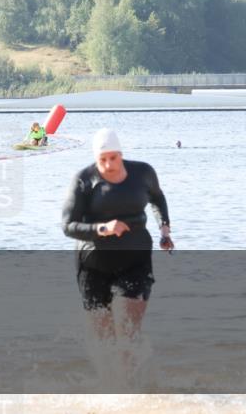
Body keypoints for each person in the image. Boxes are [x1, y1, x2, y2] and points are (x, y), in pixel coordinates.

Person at [62, 128, 172, 348]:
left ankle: (130, 380)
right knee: (104, 337)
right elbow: (68, 226)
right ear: (95, 158)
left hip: (135, 258)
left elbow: (157, 198)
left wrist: (164, 229)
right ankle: (109, 379)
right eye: (102, 160)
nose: (109, 165)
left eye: (113, 158)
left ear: (121, 154)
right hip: (93, 262)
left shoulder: (143, 173)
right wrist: (103, 228)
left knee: (130, 330)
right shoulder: (84, 179)